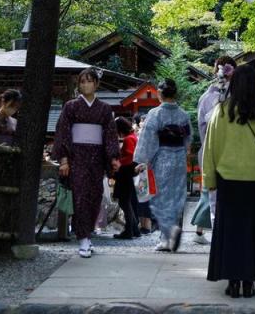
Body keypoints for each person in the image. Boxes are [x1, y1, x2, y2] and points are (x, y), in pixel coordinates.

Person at [203, 64, 255, 299]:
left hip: (227, 180)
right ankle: (249, 282)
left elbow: (210, 149)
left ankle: (232, 281)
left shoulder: (221, 111)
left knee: (229, 231)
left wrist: (209, 179)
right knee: (253, 231)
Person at [51, 67, 121, 258]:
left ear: (96, 84)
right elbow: (63, 133)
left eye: (89, 81)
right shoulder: (71, 106)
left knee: (95, 196)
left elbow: (110, 136)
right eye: (82, 82)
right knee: (80, 196)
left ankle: (87, 234)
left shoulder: (105, 109)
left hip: (97, 158)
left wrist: (113, 158)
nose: (85, 84)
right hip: (77, 157)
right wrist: (64, 159)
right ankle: (83, 239)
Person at [134, 78, 192, 252]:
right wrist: (184, 151)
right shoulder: (184, 115)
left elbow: (148, 140)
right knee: (176, 197)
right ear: (175, 94)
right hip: (179, 159)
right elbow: (188, 140)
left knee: (161, 198)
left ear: (159, 93)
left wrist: (143, 161)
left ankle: (166, 237)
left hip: (162, 158)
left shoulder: (155, 114)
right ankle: (171, 233)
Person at [196, 56, 235, 227]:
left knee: (215, 198)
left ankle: (218, 237)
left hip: (211, 153)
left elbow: (202, 129)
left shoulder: (205, 98)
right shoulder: (241, 99)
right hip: (234, 155)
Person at [113, 117, 140, 240]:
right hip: (130, 173)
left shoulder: (128, 139)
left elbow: (130, 156)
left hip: (125, 173)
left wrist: (118, 163)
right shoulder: (133, 136)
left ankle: (129, 230)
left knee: (124, 202)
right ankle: (134, 229)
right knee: (127, 202)